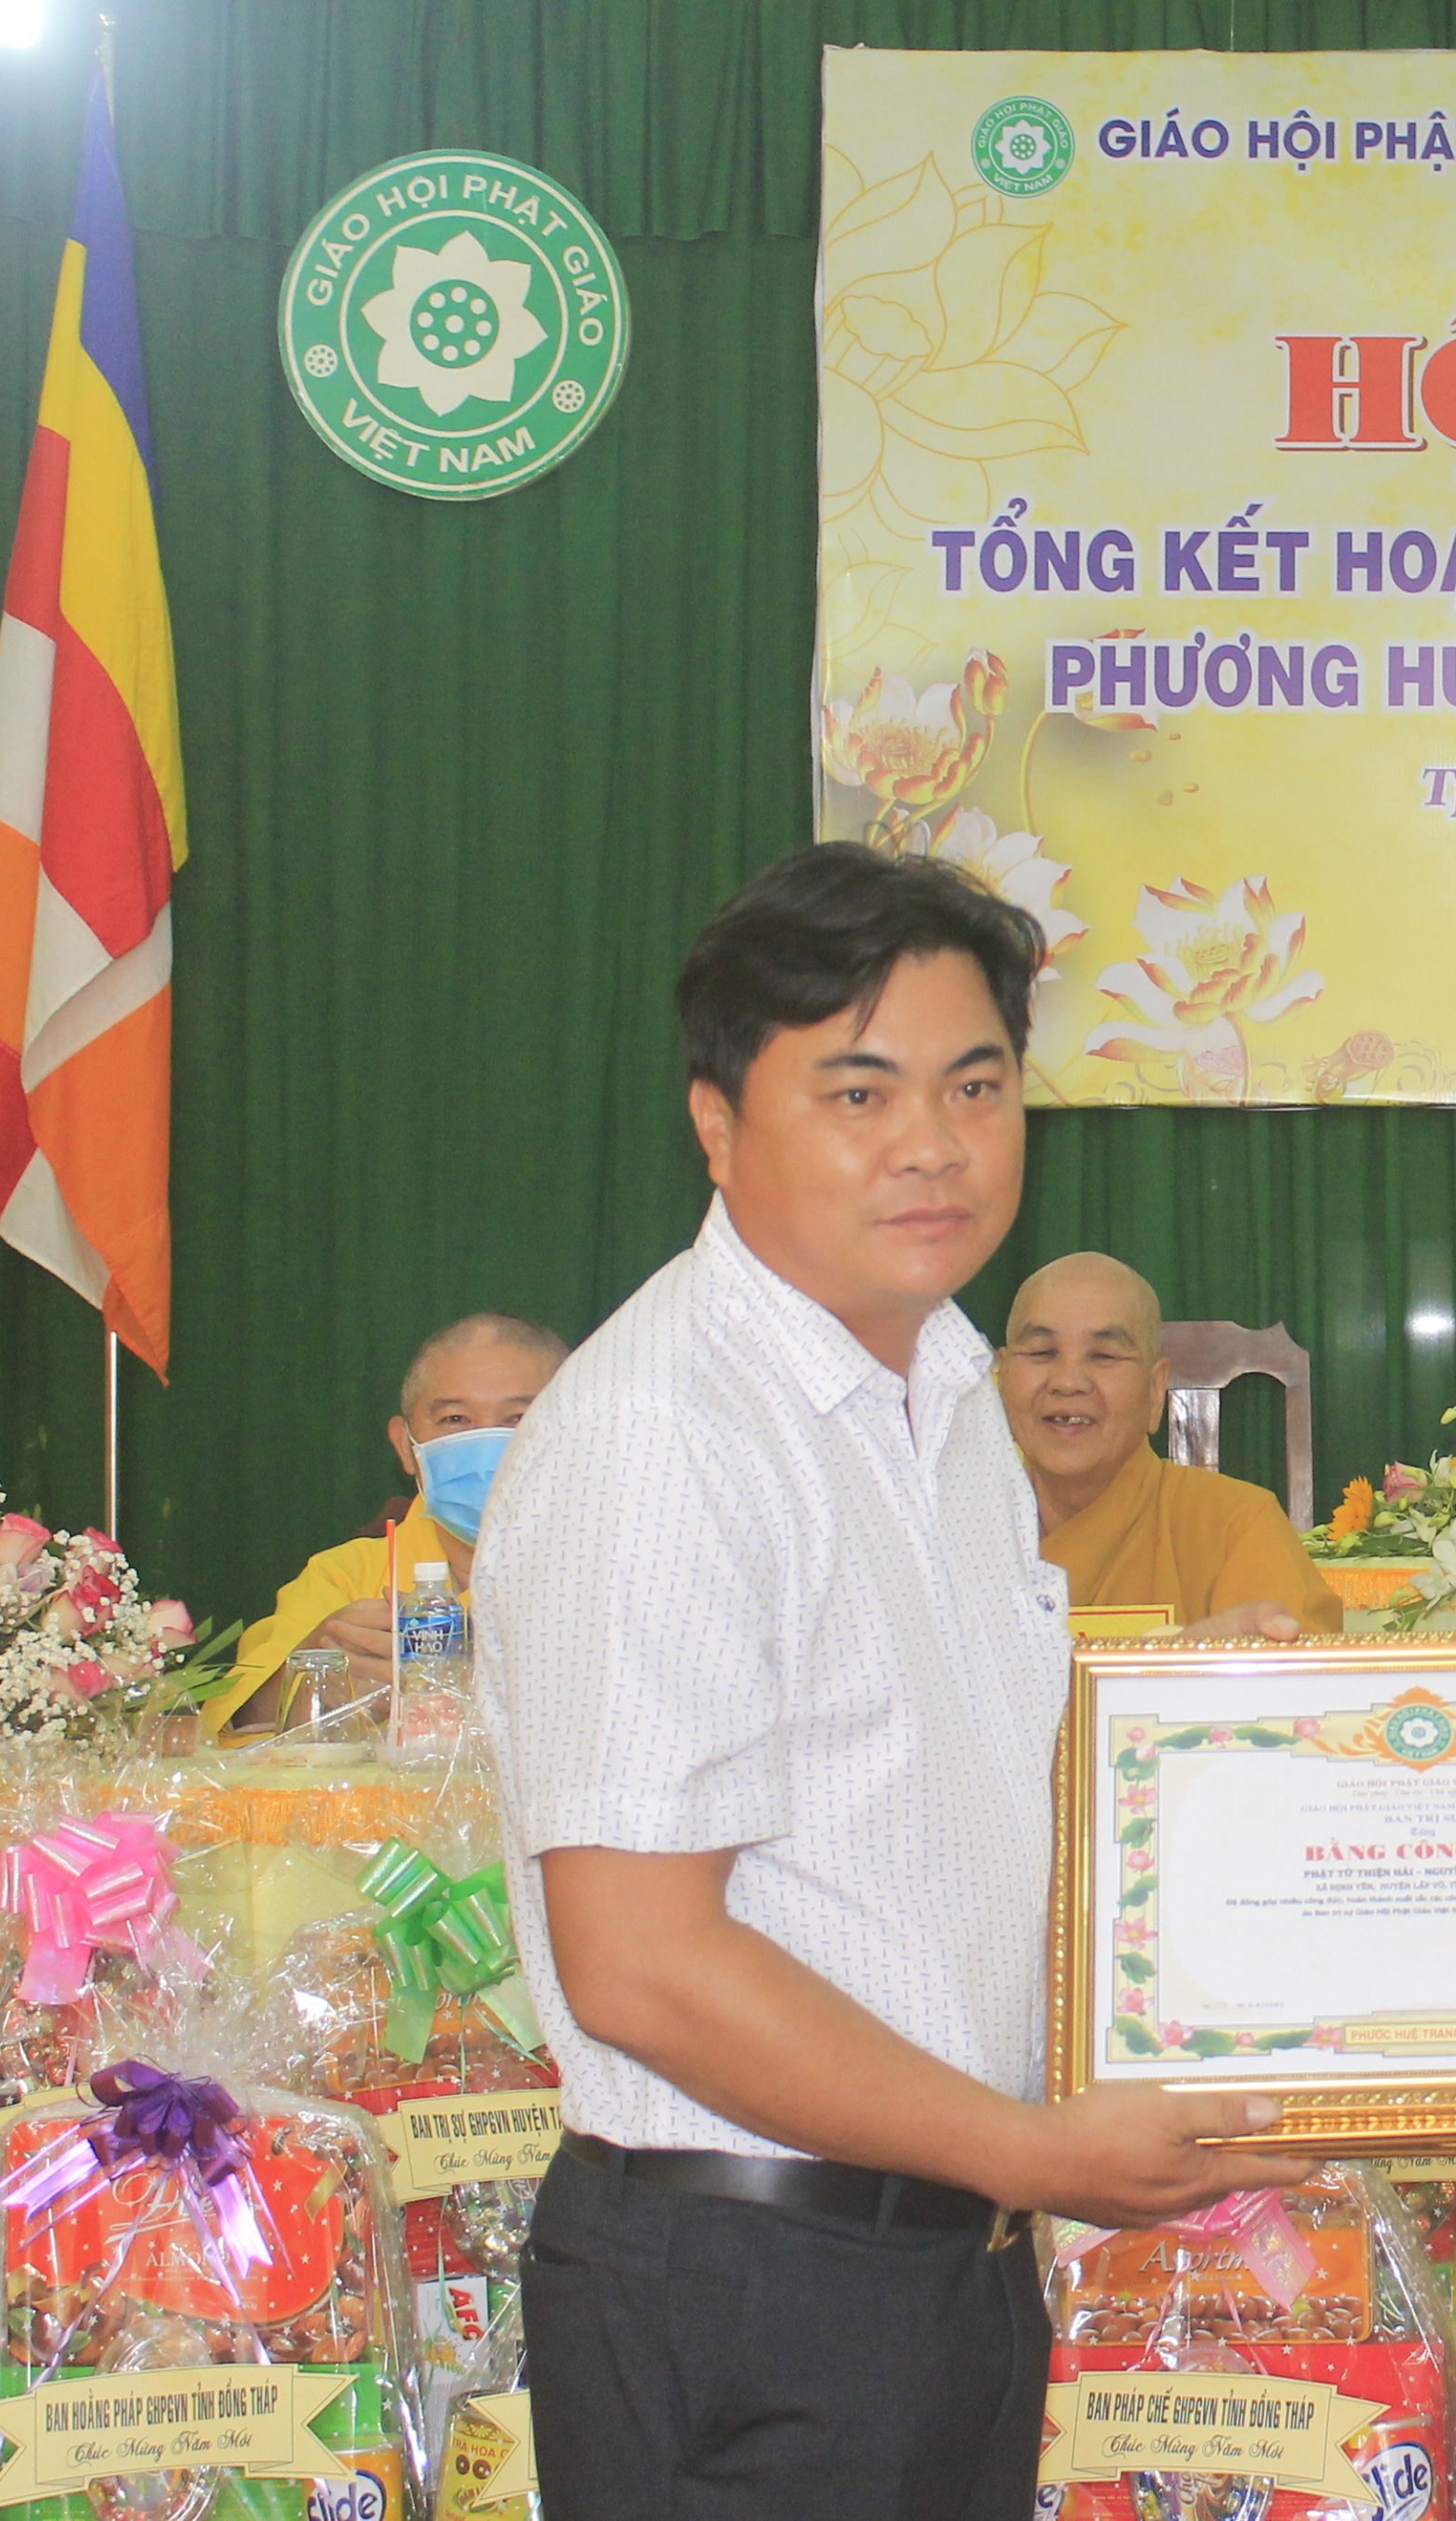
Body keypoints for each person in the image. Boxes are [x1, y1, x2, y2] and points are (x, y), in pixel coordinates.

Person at [476, 848, 1308, 2521]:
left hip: (932, 2259)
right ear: (717, 1124)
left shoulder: (942, 1385)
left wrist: (1240, 1749)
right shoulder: (666, 1436)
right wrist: (1034, 2152)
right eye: (859, 1092)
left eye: (975, 1086)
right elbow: (642, 1967)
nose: (932, 1144)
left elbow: (957, 1785)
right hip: (751, 2282)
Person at [212, 1312, 567, 1731]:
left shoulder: (620, 1574)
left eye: (520, 1418)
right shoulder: (345, 1577)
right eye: (455, 1420)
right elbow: (232, 1732)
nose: (486, 1446)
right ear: (405, 1446)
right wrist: (316, 1681)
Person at [998, 1249, 1343, 1632]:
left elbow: (1291, 1662)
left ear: (1155, 1389)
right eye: (1042, 1352)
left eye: (1104, 1356)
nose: (1068, 1382)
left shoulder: (1236, 1526)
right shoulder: (953, 1532)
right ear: (1001, 1377)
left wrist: (1202, 1666)